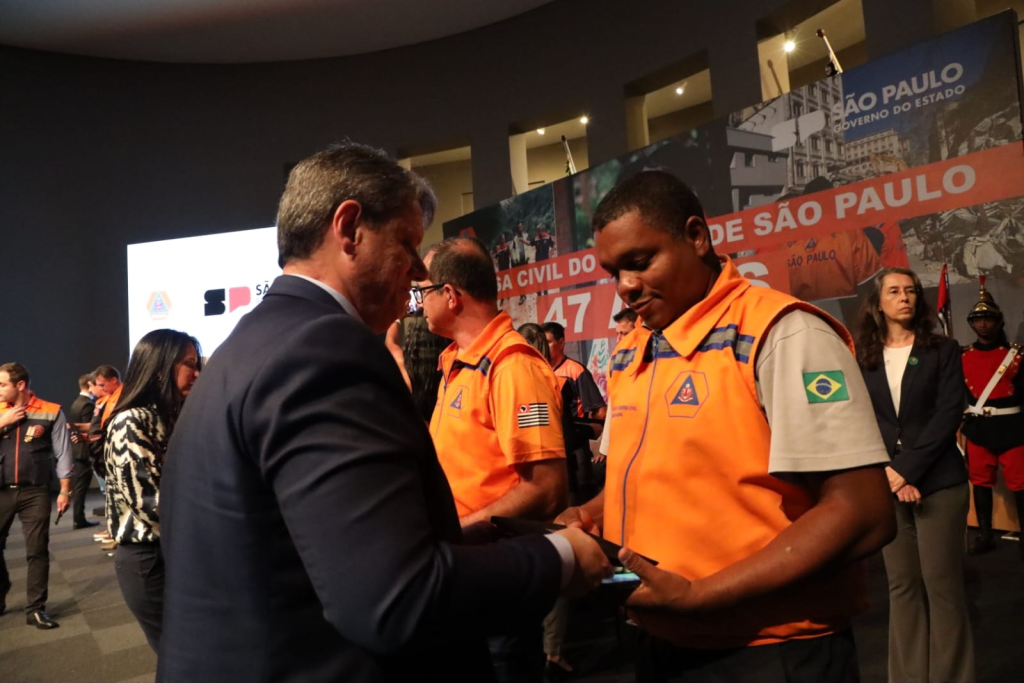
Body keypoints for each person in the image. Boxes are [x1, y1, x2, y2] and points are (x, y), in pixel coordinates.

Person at [157, 142, 611, 683]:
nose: (419, 271)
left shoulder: (251, 345)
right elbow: (392, 599)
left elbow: (314, 549)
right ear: (349, 229)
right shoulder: (325, 350)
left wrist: (453, 536)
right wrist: (560, 556)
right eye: (408, 243)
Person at [558, 170, 896, 682]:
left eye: (640, 262)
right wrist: (587, 514)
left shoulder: (781, 333)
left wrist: (701, 595)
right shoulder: (634, 350)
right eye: (613, 272)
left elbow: (863, 511)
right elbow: (653, 476)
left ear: (697, 236)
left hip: (770, 651)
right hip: (664, 640)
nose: (625, 286)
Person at [419, 236, 569, 683]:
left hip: (497, 576)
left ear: (450, 295)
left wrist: (459, 531)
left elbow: (547, 489)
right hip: (465, 572)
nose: (417, 303)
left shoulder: (512, 367)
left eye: (422, 292)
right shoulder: (458, 363)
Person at [856, 267, 975, 683]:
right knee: (902, 588)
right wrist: (890, 474)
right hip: (887, 485)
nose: (904, 297)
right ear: (878, 302)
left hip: (939, 481)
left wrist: (905, 472)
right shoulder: (862, 356)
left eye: (910, 290)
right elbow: (861, 419)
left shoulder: (943, 349)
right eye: (894, 291)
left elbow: (947, 416)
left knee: (942, 588)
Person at [104, 329, 201, 652]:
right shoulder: (131, 421)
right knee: (182, 656)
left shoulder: (169, 417)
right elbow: (152, 503)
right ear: (160, 369)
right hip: (149, 558)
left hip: (176, 550)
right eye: (189, 364)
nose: (197, 373)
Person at [517, 322, 576, 681]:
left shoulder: (535, 378)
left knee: (553, 570)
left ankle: (551, 652)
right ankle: (549, 650)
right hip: (528, 496)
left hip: (538, 494)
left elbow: (540, 451)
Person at [0, 363, 74, 629]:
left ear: (20, 385)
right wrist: (2, 423)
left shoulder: (51, 411)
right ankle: (2, 589)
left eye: (2, 385)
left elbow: (63, 452)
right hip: (0, 491)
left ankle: (35, 609)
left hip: (36, 491)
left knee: (37, 550)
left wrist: (65, 489)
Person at [960, 278, 1024, 557]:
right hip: (979, 429)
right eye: (978, 319)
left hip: (1013, 428)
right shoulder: (962, 356)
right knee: (981, 484)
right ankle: (985, 534)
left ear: (998, 322)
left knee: (1022, 484)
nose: (983, 324)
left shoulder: (1017, 356)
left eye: (988, 319)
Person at [543, 322, 605, 501]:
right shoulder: (541, 371)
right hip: (553, 451)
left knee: (579, 505)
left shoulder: (575, 370)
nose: (543, 347)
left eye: (548, 342)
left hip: (577, 454)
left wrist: (578, 432)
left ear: (561, 343)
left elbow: (600, 412)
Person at [69, 373, 99, 529]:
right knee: (81, 487)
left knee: (80, 487)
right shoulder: (87, 404)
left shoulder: (77, 402)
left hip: (79, 448)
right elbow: (91, 428)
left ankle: (78, 518)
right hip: (84, 450)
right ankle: (78, 519)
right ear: (90, 385)